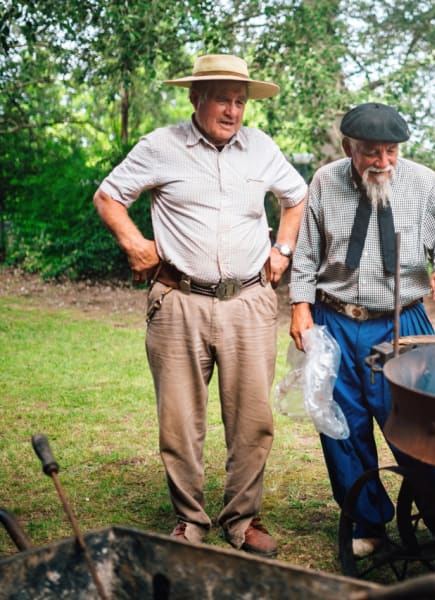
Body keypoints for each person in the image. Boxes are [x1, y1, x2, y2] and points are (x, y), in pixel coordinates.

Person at [93, 54, 307, 558]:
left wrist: (284, 250)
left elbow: (295, 197)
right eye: (222, 99)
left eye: (240, 101)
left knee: (253, 419)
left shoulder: (261, 148)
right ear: (196, 98)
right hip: (178, 301)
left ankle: (243, 519)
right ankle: (190, 519)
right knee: (180, 418)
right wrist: (135, 244)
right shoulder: (160, 147)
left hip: (249, 301)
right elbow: (108, 197)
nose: (233, 111)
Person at [288, 102, 435, 559]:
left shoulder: (423, 182)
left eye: (391, 152)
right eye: (371, 152)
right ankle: (368, 525)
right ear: (349, 147)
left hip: (404, 321)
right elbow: (306, 253)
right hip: (336, 321)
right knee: (342, 427)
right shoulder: (326, 182)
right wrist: (300, 308)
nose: (383, 162)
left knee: (426, 423)